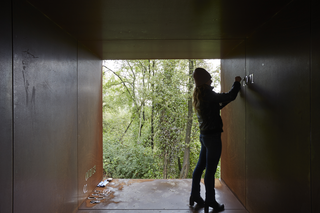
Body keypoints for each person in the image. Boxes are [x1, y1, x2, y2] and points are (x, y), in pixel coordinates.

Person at [189, 67, 241, 212]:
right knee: (210, 171)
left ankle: (195, 196)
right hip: (212, 137)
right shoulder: (207, 93)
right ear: (206, 80)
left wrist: (226, 99)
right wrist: (236, 83)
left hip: (204, 136)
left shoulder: (199, 94)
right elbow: (230, 96)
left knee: (200, 167)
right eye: (209, 79)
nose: (211, 81)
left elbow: (216, 105)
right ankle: (211, 201)